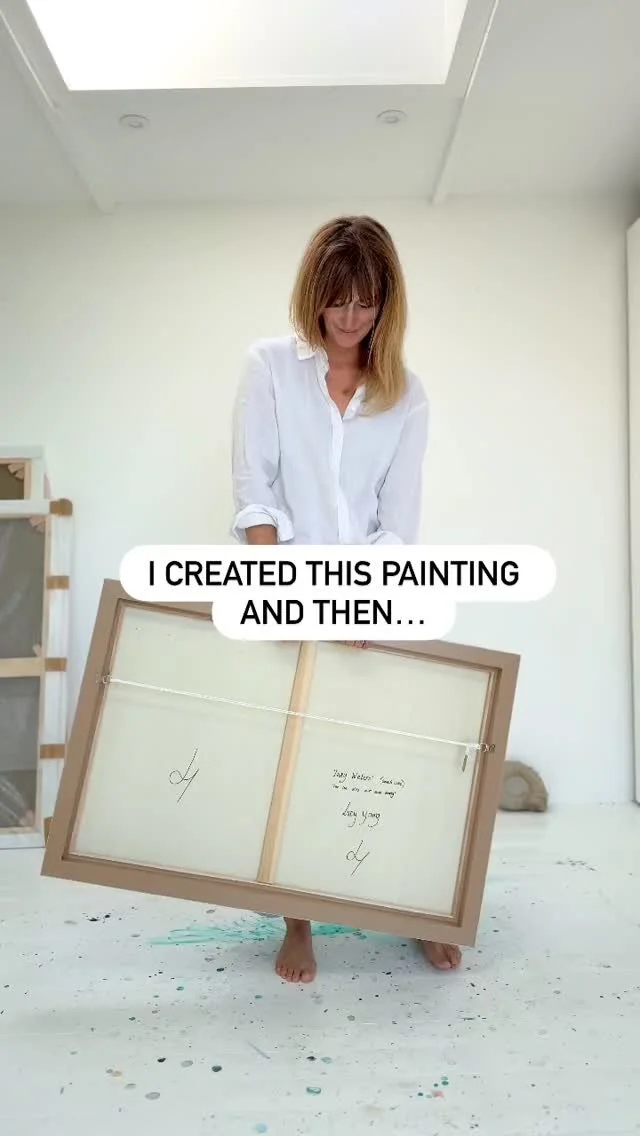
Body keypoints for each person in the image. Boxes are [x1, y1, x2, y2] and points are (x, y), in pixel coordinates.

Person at [230, 214, 462, 982]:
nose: (350, 317)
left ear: (387, 301)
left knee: (383, 765)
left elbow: (398, 524)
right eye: (337, 299)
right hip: (289, 599)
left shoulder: (407, 395)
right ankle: (297, 922)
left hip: (369, 601)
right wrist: (282, 593)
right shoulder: (269, 366)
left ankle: (411, 909)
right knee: (294, 767)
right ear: (315, 294)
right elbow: (255, 490)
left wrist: (360, 602)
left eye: (366, 301)